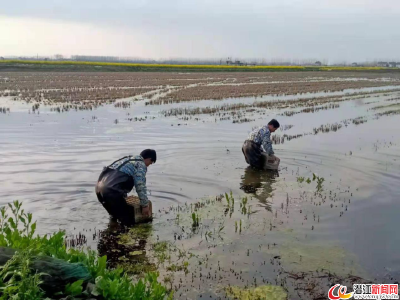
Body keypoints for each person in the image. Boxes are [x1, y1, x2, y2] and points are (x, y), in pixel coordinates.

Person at [95, 149, 156, 225]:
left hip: (99, 189)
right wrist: (145, 205)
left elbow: (118, 182)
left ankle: (111, 232)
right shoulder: (141, 164)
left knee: (114, 216)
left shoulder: (127, 159)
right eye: (150, 163)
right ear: (149, 159)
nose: (148, 165)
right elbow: (140, 185)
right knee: (129, 220)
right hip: (111, 191)